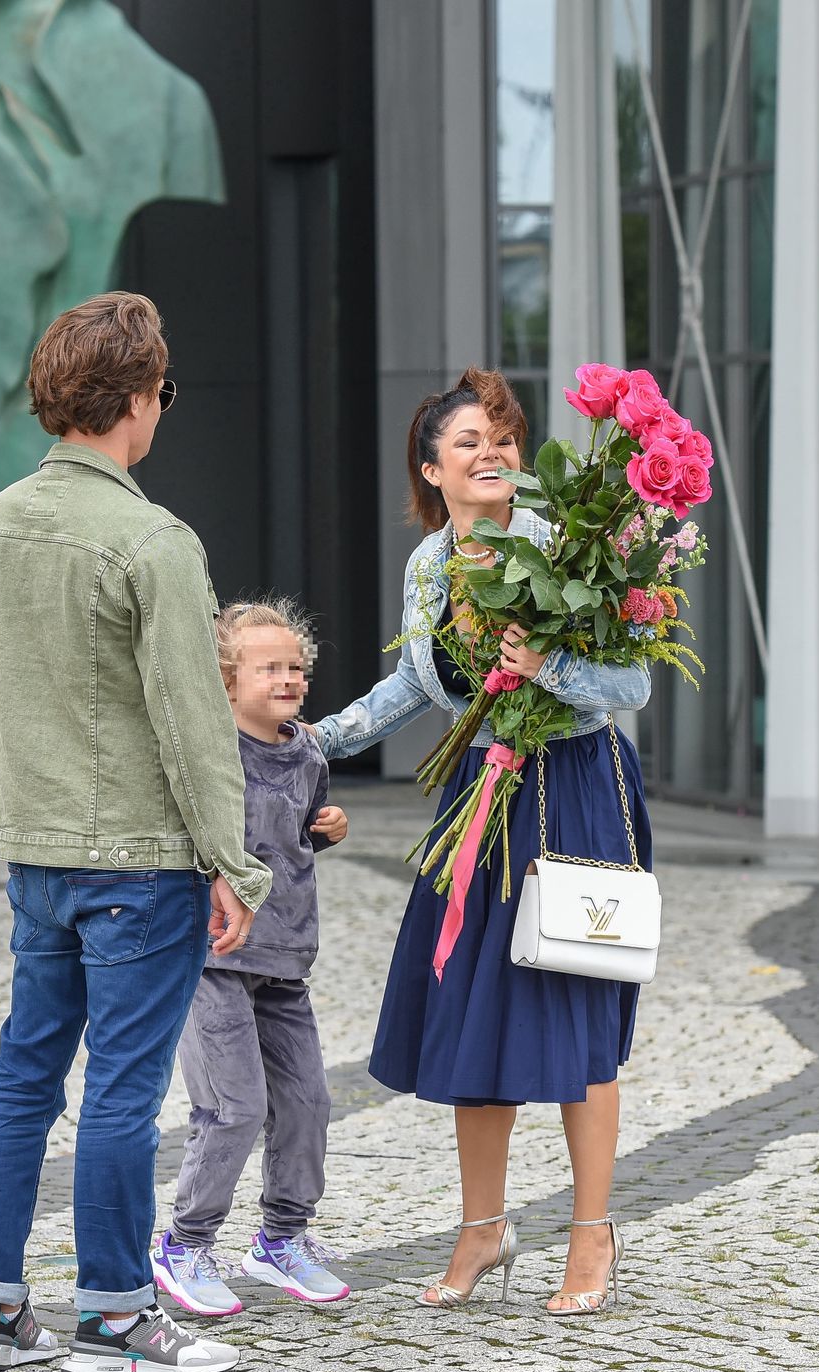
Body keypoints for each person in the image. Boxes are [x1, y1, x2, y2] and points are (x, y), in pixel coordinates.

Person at [0, 291, 271, 1372]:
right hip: (136, 861)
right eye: (161, 392)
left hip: (37, 853)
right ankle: (116, 1319)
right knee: (125, 1091)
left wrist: (23, 808)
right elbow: (194, 721)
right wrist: (235, 862)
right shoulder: (151, 538)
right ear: (135, 399)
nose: (161, 412)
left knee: (22, 1078)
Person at [311, 368, 652, 1316]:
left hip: (577, 789)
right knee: (472, 1010)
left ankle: (592, 1235)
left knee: (578, 1012)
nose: (491, 451)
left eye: (501, 436)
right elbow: (418, 685)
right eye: (467, 441)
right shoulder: (430, 566)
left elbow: (634, 691)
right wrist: (317, 740)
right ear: (432, 469)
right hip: (482, 795)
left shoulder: (568, 546)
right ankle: (484, 1228)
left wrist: (554, 664)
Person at [153, 600, 351, 1315]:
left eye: (296, 666)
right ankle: (183, 1244)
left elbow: (296, 832)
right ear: (226, 679)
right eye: (269, 667)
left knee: (307, 1104)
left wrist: (327, 826)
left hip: (286, 960)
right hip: (214, 961)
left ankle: (281, 1239)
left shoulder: (306, 750)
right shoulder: (210, 753)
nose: (289, 678)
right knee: (233, 1107)